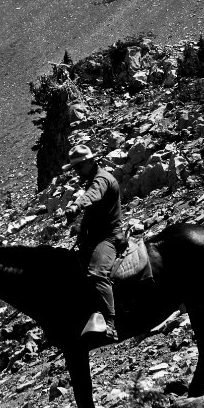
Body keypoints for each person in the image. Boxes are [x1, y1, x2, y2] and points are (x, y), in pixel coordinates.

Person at [63, 144, 126, 343]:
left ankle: (110, 324)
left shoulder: (102, 179)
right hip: (96, 236)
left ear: (91, 162)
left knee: (97, 273)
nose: (77, 172)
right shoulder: (92, 178)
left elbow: (92, 196)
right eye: (74, 168)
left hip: (109, 237)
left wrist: (75, 206)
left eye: (79, 167)